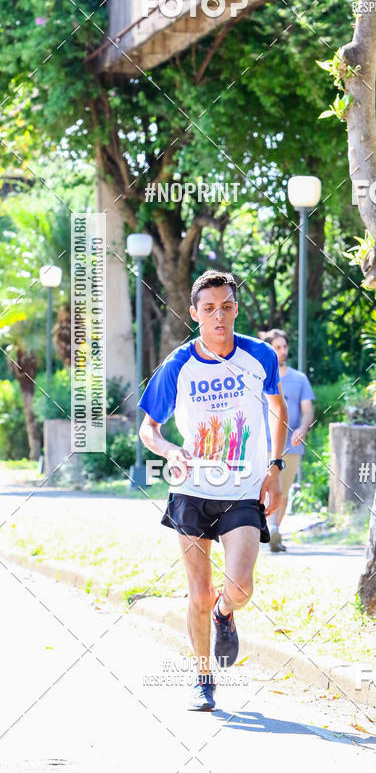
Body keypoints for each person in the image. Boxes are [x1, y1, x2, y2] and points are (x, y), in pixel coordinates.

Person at [138, 270, 288, 712]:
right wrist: (168, 450)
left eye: (226, 306)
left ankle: (226, 612)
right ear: (194, 314)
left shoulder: (260, 355)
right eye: (208, 309)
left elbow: (278, 410)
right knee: (197, 591)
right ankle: (203, 679)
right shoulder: (178, 365)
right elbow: (149, 428)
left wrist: (274, 468)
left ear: (235, 309)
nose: (218, 316)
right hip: (192, 490)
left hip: (243, 488)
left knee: (240, 586)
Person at [259, 329, 315, 552]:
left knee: (283, 489)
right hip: (262, 445)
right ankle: (264, 530)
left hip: (291, 446)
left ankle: (274, 531)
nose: (283, 351)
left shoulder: (299, 379)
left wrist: (302, 428)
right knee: (261, 489)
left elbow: (308, 410)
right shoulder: (258, 377)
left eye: (284, 347)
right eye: (277, 347)